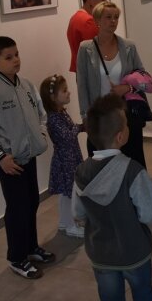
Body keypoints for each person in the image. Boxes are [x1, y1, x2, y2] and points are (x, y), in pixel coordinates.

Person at [72, 94, 152, 301]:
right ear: (120, 136)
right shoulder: (133, 170)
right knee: (143, 294)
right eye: (126, 124)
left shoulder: (81, 172)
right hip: (134, 252)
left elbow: (79, 214)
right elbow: (148, 213)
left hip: (101, 255)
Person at [0, 36, 56, 279]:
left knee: (32, 202)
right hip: (8, 162)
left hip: (27, 156)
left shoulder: (26, 85)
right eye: (8, 57)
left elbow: (41, 114)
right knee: (18, 208)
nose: (16, 60)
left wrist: (40, 133)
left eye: (17, 54)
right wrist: (0, 157)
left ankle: (31, 247)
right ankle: (17, 258)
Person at [77, 1, 149, 168]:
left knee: (132, 159)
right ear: (97, 20)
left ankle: (133, 192)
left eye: (116, 17)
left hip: (126, 113)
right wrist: (85, 116)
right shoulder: (85, 49)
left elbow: (143, 76)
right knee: (101, 163)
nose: (113, 21)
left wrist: (127, 88)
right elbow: (82, 85)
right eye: (108, 17)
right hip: (99, 115)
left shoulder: (129, 47)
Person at [40, 74, 85, 238]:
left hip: (71, 156)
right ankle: (69, 225)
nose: (69, 93)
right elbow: (67, 136)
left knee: (70, 192)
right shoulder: (53, 118)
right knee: (68, 193)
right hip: (65, 160)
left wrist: (79, 127)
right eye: (64, 90)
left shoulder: (61, 112)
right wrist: (79, 128)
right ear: (53, 97)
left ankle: (65, 221)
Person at [67, 0, 108, 72]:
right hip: (91, 72)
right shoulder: (88, 21)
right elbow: (97, 52)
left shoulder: (74, 18)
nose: (106, 3)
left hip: (81, 70)